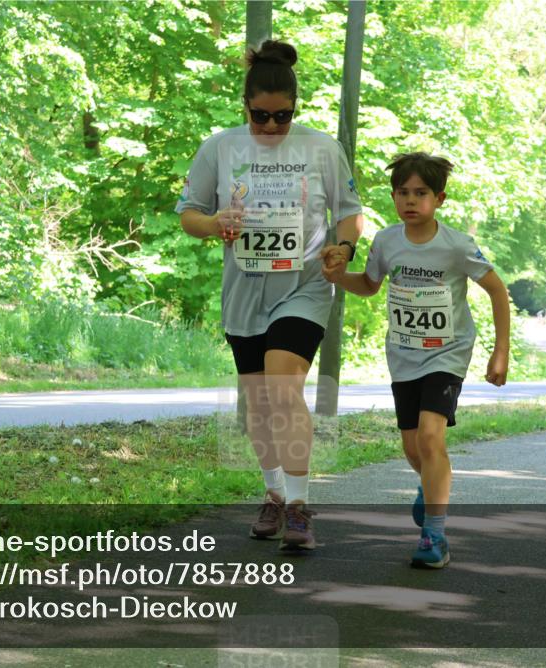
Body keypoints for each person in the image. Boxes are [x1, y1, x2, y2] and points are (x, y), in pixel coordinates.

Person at [177, 40, 363, 551]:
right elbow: (189, 213)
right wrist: (215, 223)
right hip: (244, 292)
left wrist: (342, 248)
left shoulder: (322, 148)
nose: (272, 127)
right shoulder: (220, 147)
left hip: (304, 286)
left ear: (295, 109)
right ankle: (275, 494)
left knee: (284, 390)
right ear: (245, 105)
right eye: (261, 116)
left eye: (283, 117)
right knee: (258, 404)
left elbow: (350, 212)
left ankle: (301, 508)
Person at [322, 152, 510, 568]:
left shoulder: (457, 245)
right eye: (402, 193)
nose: (411, 201)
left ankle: (435, 537)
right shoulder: (387, 241)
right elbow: (370, 285)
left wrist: (501, 351)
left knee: (430, 437)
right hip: (404, 354)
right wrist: (339, 278)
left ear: (439, 198)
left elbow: (497, 290)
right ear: (393, 197)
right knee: (412, 447)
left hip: (448, 352)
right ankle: (430, 488)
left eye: (420, 193)